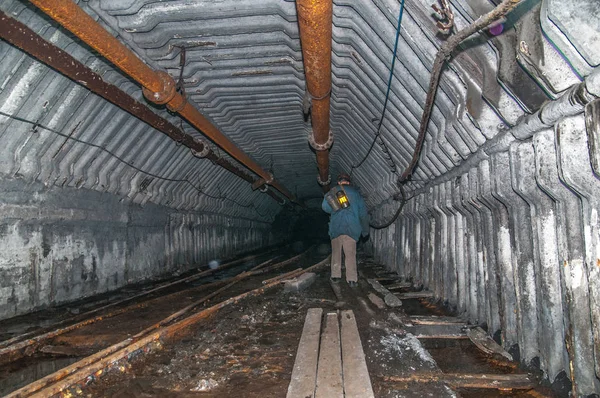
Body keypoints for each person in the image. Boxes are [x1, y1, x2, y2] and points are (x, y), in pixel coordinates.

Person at [321, 173, 369, 287]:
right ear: (349, 182)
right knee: (350, 254)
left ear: (339, 182)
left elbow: (325, 207)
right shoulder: (356, 194)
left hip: (336, 228)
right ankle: (352, 279)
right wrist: (365, 230)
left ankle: (335, 276)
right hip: (352, 228)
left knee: (336, 253)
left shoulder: (332, 192)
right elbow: (363, 214)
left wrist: (334, 209)